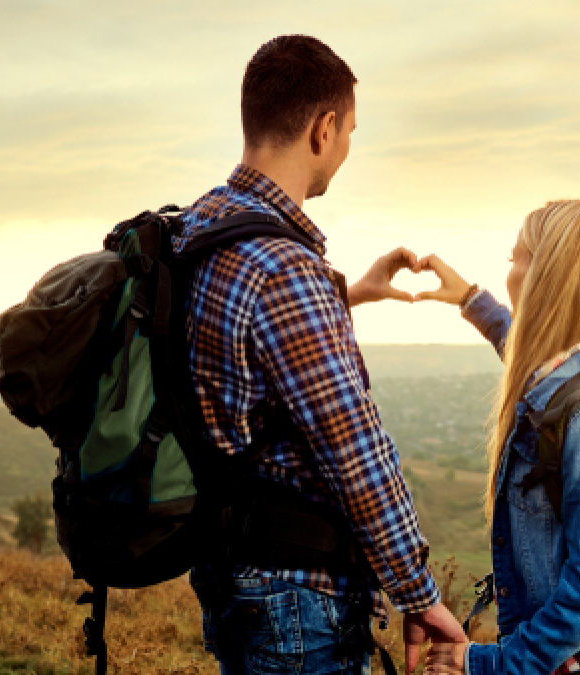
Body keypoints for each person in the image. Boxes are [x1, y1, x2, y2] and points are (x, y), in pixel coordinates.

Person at [176, 36, 466, 674]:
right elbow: (355, 453)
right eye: (350, 131)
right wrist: (419, 593)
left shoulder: (202, 226)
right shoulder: (284, 270)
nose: (346, 147)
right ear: (324, 127)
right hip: (295, 594)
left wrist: (349, 291)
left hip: (230, 568)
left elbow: (243, 334)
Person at [417, 200, 580, 675]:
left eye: (515, 260)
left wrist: (492, 666)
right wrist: (470, 299)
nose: (509, 272)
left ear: (548, 278)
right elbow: (525, 351)